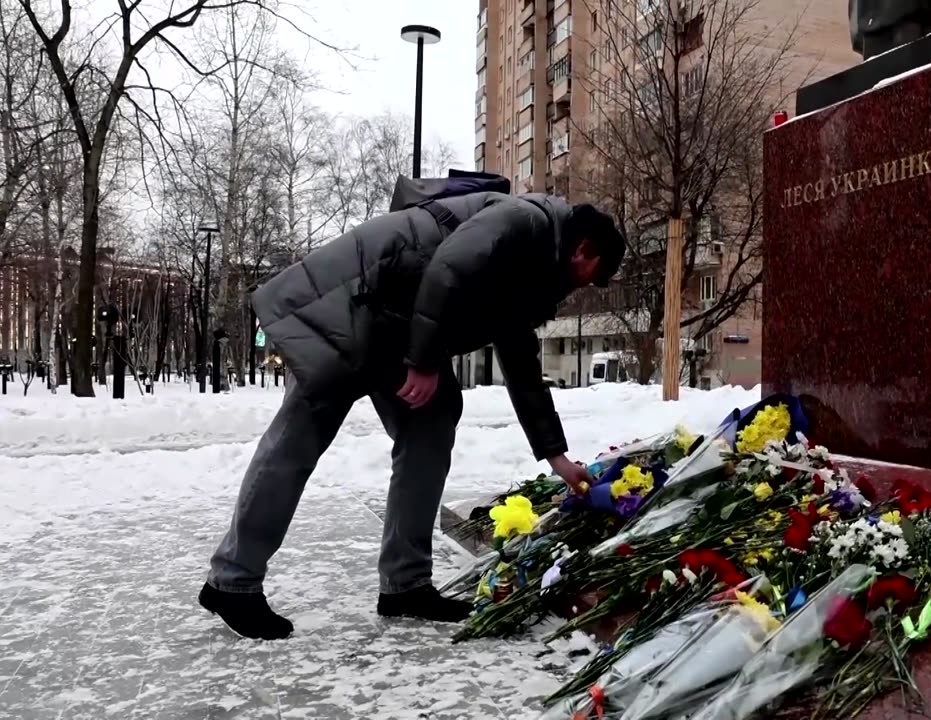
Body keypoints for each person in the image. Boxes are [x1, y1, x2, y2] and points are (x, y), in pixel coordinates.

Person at [199, 190, 625, 640]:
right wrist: (422, 361)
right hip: (354, 303)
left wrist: (556, 456)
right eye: (592, 277)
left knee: (433, 418)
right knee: (301, 433)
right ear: (583, 250)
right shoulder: (524, 222)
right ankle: (233, 581)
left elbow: (520, 360)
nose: (584, 288)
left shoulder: (537, 262)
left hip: (393, 321)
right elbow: (447, 268)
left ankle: (406, 583)